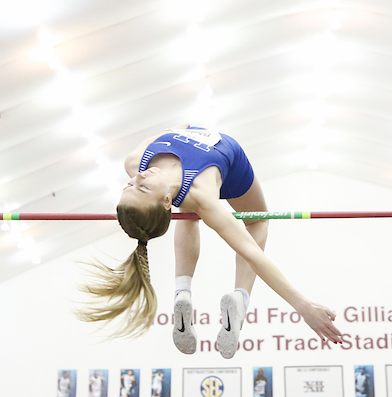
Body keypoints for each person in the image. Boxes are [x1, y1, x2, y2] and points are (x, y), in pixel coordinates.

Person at [76, 125, 342, 358]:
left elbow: (164, 140)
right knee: (258, 221)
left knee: (187, 213)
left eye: (130, 185)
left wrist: (176, 129)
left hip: (198, 171)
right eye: (143, 187)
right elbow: (252, 253)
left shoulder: (137, 165)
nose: (139, 177)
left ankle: (183, 291)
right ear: (164, 201)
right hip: (227, 158)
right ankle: (240, 298)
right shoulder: (200, 195)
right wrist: (303, 306)